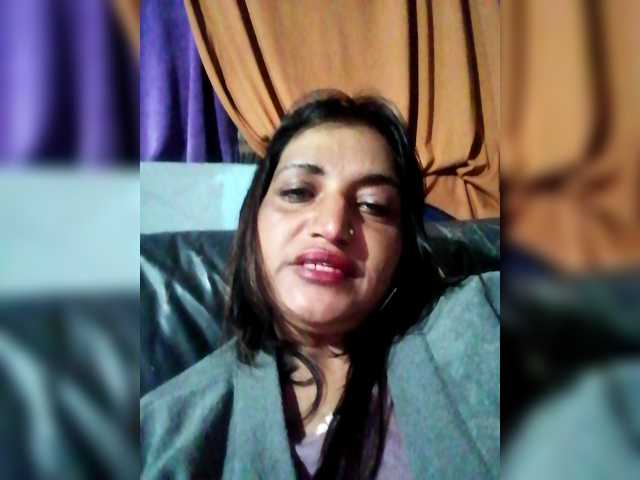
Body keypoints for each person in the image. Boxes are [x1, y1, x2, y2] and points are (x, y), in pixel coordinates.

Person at [141, 93, 500, 479]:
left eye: (373, 205)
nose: (331, 226)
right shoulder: (160, 435)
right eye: (298, 192)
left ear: (403, 247)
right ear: (253, 221)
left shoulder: (483, 317)